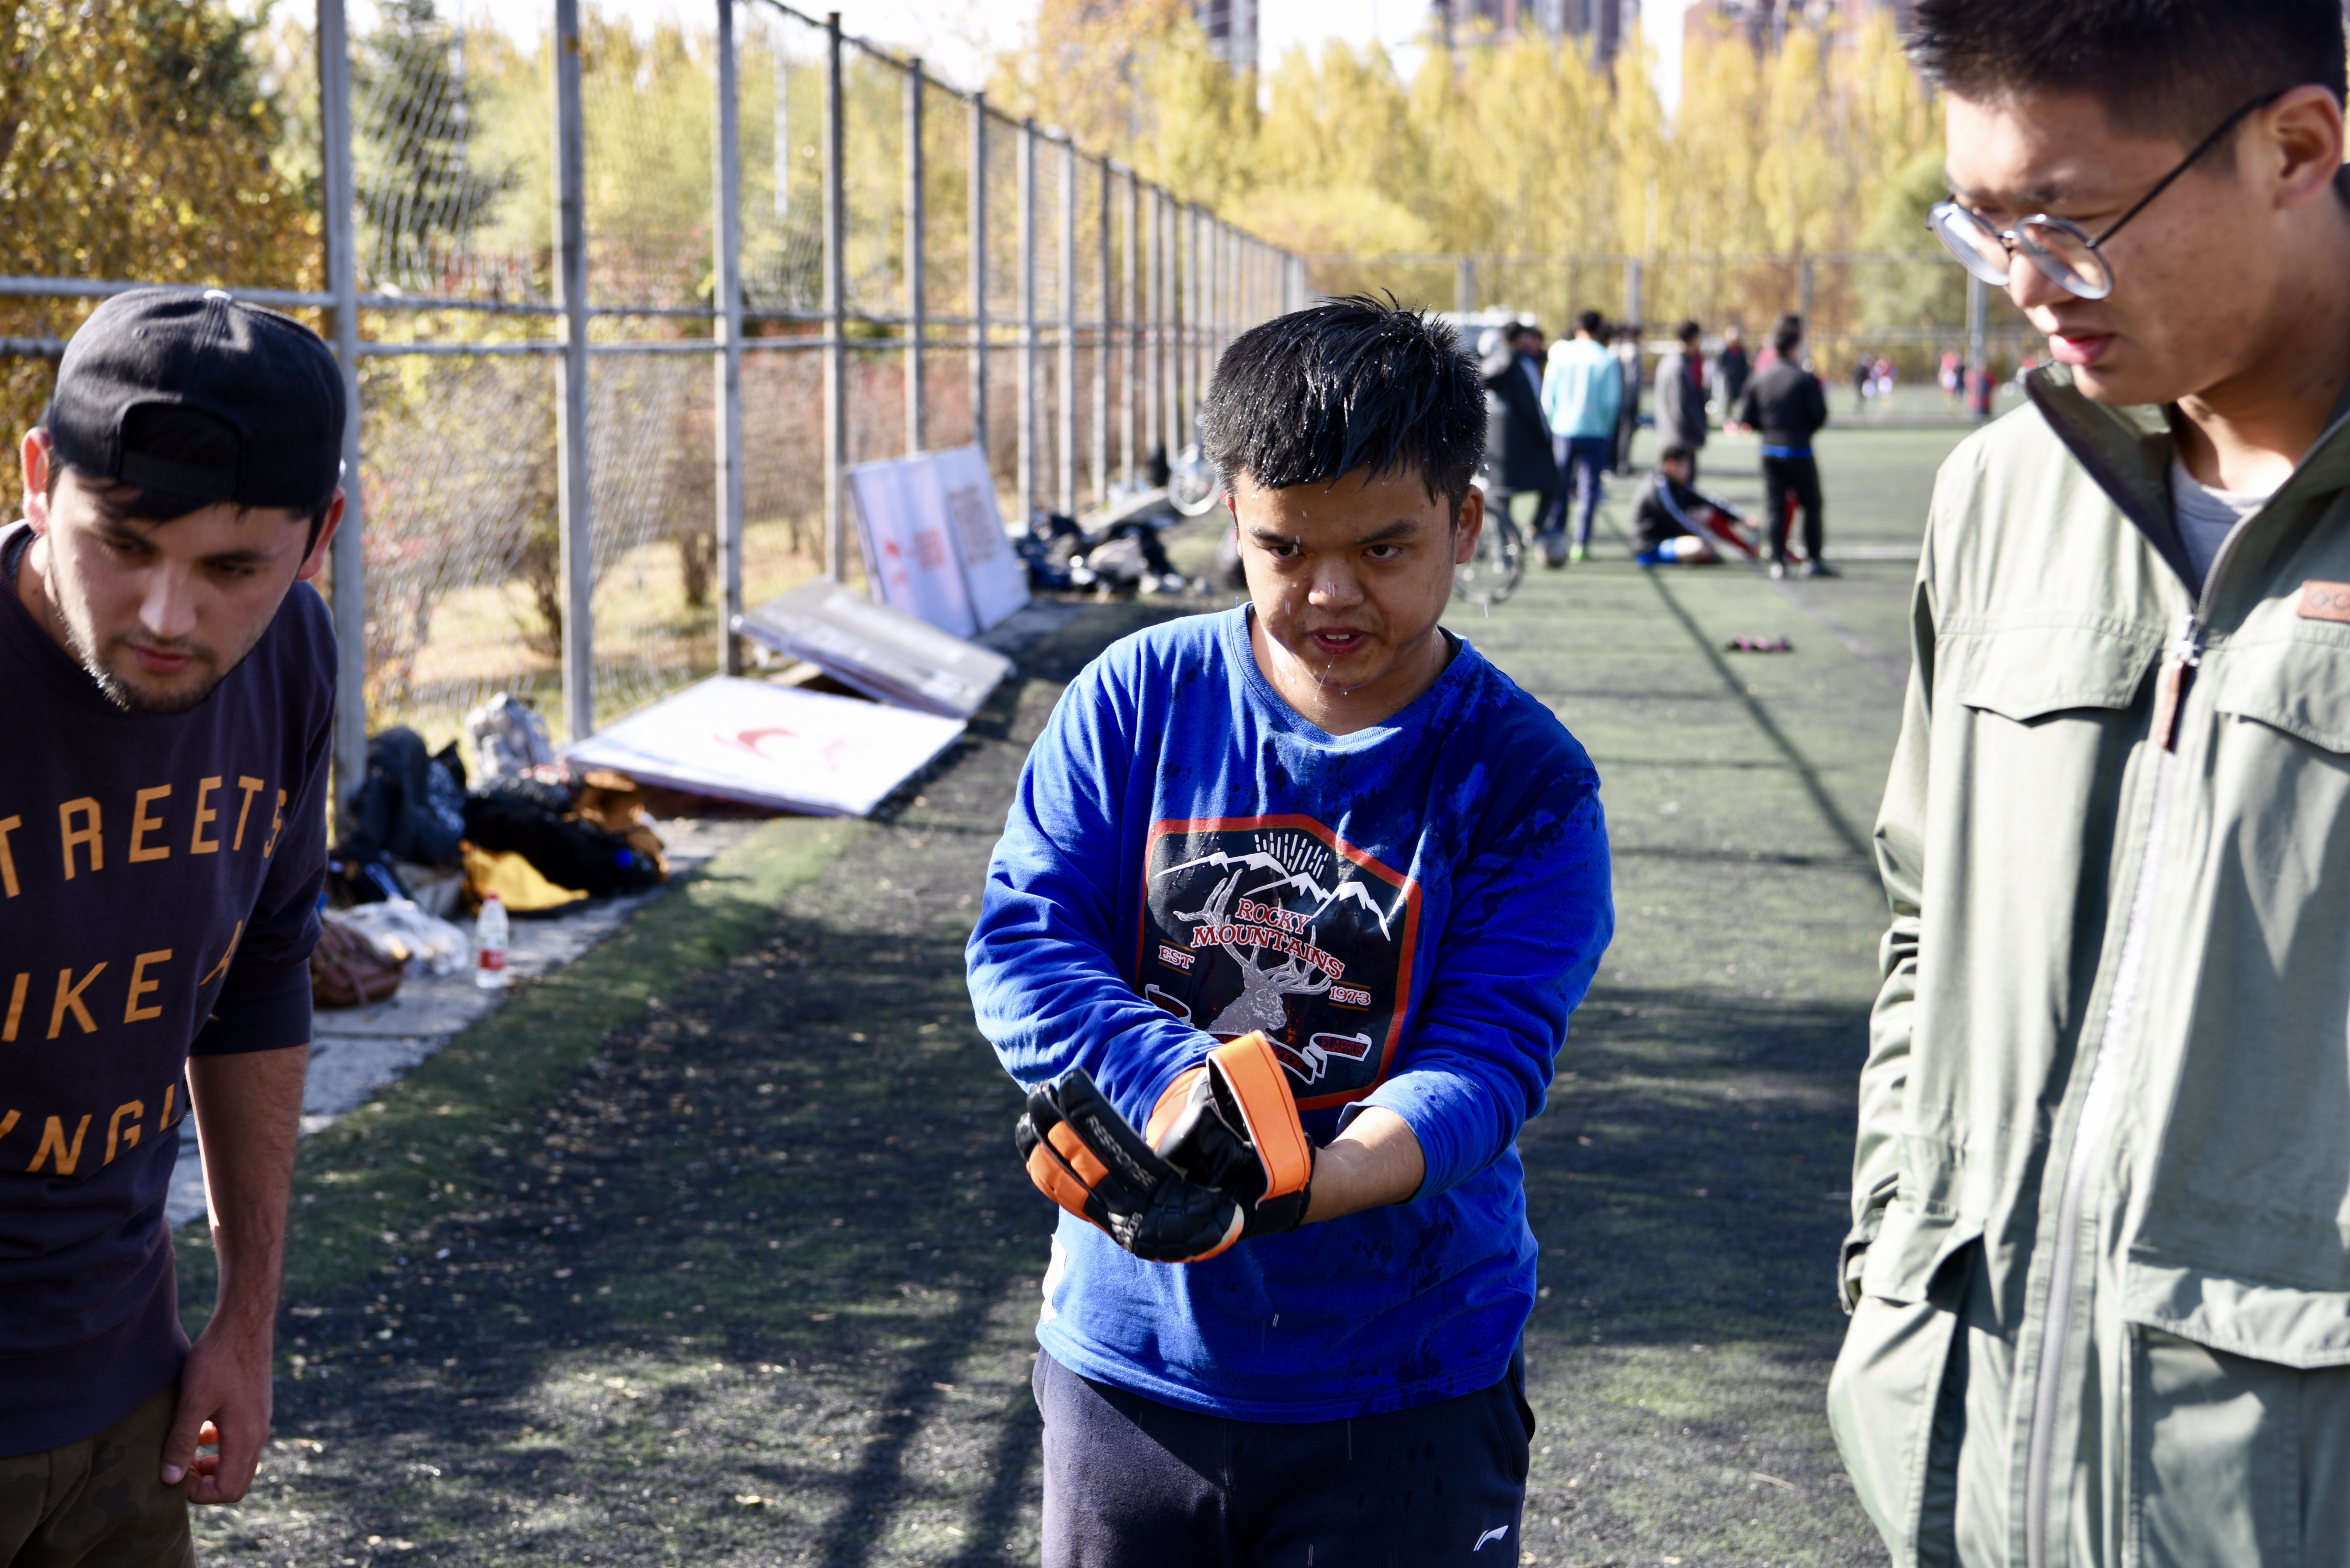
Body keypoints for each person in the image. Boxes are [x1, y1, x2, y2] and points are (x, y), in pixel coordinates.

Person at [970, 295, 1614, 1568]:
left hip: (1411, 1375)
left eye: (1382, 547)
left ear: (1464, 522)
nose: (1328, 591)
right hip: (1129, 1364)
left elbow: (1489, 1057)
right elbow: (1026, 943)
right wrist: (1177, 1089)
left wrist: (1298, 1177)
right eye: (1282, 546)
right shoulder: (1133, 699)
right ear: (1232, 519)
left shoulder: (1528, 779)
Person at [1831, 2, 2350, 1564]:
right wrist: (1888, 1261)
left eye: (2068, 221)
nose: (2024, 282)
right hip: (1967, 1461)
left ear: (2296, 149)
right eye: (1982, 224)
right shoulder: (2001, 493)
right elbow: (1923, 920)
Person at [0, 290, 341, 1557]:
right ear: (39, 477)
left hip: (126, 1393)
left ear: (319, 540)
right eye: (125, 544)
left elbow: (261, 973)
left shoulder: (291, 657)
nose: (165, 615)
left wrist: (246, 1317)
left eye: (231, 568)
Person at [1733, 313, 1832, 577]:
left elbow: (1745, 417)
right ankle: (1813, 561)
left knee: (1775, 507)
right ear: (1794, 347)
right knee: (1811, 505)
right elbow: (1820, 415)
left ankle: (1778, 561)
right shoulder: (1804, 379)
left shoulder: (1760, 378)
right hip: (1799, 449)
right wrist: (1802, 432)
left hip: (1769, 450)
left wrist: (1767, 429)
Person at [1479, 322, 1567, 567]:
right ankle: (1531, 533)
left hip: (1493, 444)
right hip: (1526, 443)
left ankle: (1503, 557)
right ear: (1521, 339)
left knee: (1500, 499)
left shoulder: (1486, 365)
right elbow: (1533, 406)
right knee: (1553, 484)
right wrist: (1545, 437)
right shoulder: (1523, 365)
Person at [1540, 309, 1621, 563]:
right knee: (1589, 488)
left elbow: (1548, 396)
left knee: (1560, 484)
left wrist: (1554, 421)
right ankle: (1581, 543)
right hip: (1595, 432)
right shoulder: (1606, 358)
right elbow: (1612, 401)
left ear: (1577, 328)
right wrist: (1606, 428)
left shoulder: (1561, 354)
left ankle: (1555, 536)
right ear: (1598, 330)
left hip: (1563, 429)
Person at [1629, 443, 1754, 564]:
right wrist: (1706, 538)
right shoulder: (1659, 486)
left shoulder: (1678, 484)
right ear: (1671, 465)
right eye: (1685, 466)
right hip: (1653, 547)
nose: (1688, 471)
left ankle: (1746, 547)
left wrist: (1742, 518)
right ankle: (1706, 554)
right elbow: (1675, 518)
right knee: (1699, 548)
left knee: (1706, 513)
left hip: (1671, 537)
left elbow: (1707, 500)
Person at [1653, 319, 1709, 480]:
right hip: (1680, 441)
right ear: (1694, 338)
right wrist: (1699, 429)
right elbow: (1682, 407)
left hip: (1670, 436)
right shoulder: (1679, 366)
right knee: (1680, 488)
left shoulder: (1669, 361)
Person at [1609, 325, 1643, 474]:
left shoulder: (1614, 349)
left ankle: (1615, 463)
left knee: (1618, 433)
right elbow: (1632, 379)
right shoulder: (1631, 351)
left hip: (1617, 398)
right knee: (1626, 432)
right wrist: (1630, 400)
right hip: (1627, 398)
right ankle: (1623, 464)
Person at [1713, 322, 1752, 415]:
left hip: (1740, 383)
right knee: (1728, 406)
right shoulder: (1724, 351)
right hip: (1728, 384)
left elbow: (1745, 367)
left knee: (1740, 408)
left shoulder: (1741, 351)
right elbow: (1719, 367)